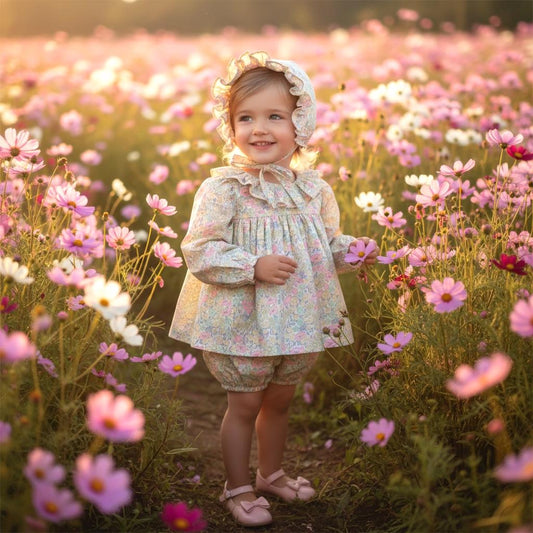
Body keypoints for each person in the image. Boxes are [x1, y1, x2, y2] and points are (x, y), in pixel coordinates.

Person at [169, 51, 377, 527]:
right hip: (242, 319)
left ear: (301, 123)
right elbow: (200, 248)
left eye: (274, 116)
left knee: (280, 399)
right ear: (230, 126)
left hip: (297, 320)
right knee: (244, 401)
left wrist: (354, 252)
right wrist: (252, 264)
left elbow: (323, 245)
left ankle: (271, 473)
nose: (259, 128)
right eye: (246, 117)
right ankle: (237, 486)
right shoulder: (223, 190)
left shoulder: (314, 190)